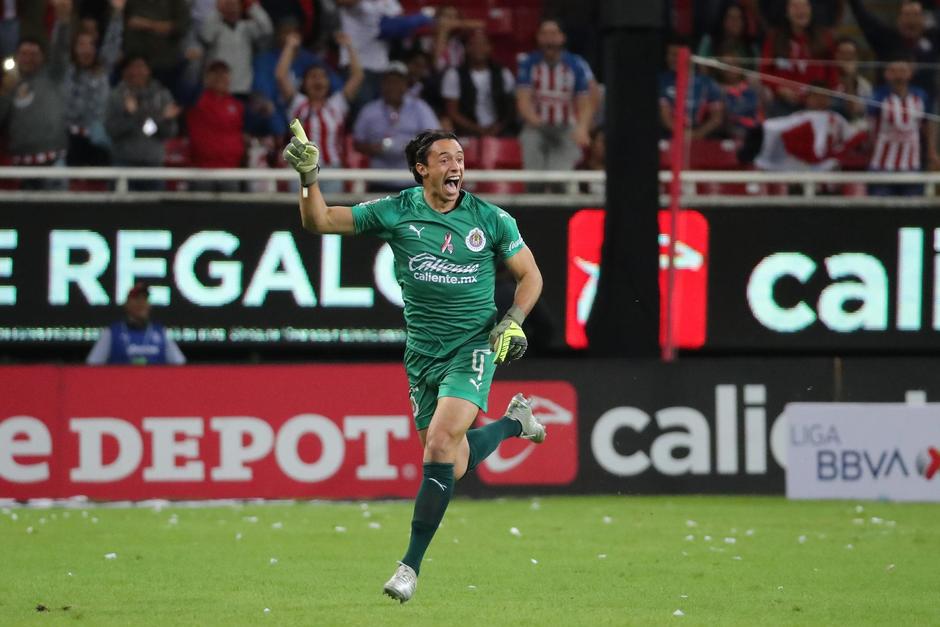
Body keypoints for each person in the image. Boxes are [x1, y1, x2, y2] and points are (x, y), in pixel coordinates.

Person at [282, 128, 546, 604]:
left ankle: (409, 566)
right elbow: (319, 221)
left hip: (475, 345)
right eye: (444, 159)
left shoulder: (490, 219)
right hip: (422, 354)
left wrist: (513, 320)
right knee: (454, 460)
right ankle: (514, 424)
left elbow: (530, 274)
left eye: (460, 158)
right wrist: (307, 176)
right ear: (422, 169)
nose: (456, 166)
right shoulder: (398, 211)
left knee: (442, 444)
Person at [0, 1, 71, 189]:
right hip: (21, 164)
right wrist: (5, 92)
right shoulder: (10, 84)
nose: (29, 58)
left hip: (53, 159)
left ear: (42, 57)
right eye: (24, 54)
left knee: (57, 216)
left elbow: (60, 50)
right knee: (25, 217)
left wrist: (62, 22)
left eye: (34, 54)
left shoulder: (52, 75)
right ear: (16, 57)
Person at [516, 18, 595, 180]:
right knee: (533, 181)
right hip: (536, 126)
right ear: (538, 38)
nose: (549, 39)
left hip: (566, 127)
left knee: (561, 181)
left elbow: (585, 102)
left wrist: (583, 128)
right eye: (544, 34)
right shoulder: (528, 64)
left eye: (553, 34)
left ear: (562, 38)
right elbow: (523, 102)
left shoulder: (576, 64)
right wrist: (541, 125)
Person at [352, 60, 440, 190]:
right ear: (382, 85)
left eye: (398, 82)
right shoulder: (369, 110)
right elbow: (357, 143)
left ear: (405, 85)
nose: (393, 86)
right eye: (389, 82)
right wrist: (372, 148)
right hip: (379, 180)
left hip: (412, 181)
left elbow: (434, 138)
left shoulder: (419, 107)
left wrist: (413, 148)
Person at [105, 55, 181, 190]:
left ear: (148, 70)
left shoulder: (162, 95)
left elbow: (169, 133)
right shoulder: (116, 96)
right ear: (125, 71)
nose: (137, 71)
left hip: (153, 165)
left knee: (154, 210)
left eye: (141, 67)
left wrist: (164, 119)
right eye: (133, 67)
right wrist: (131, 116)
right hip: (124, 163)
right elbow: (112, 131)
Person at [65, 0, 125, 168]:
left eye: (90, 45)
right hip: (70, 137)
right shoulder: (66, 71)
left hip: (98, 138)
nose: (86, 49)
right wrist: (62, 18)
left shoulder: (103, 68)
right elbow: (59, 45)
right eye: (81, 45)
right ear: (74, 48)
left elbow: (113, 42)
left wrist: (117, 14)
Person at [868, 53, 937, 196]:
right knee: (880, 209)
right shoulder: (878, 95)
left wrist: (931, 152)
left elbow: (927, 124)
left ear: (910, 73)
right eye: (894, 71)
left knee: (912, 209)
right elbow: (871, 124)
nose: (898, 76)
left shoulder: (921, 95)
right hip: (883, 164)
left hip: (911, 163)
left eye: (903, 71)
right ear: (886, 74)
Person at [759, 0, 836, 117]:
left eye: (805, 6)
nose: (801, 11)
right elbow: (764, 73)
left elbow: (833, 73)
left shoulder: (825, 38)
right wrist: (780, 89)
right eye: (795, 6)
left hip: (818, 104)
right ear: (786, 11)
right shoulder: (774, 38)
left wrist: (824, 95)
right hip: (785, 103)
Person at [87, 282, 186, 365]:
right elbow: (92, 365)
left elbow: (179, 364)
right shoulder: (112, 333)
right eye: (136, 299)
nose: (141, 303)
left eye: (144, 299)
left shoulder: (161, 333)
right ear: (127, 304)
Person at [441, 29, 516, 137]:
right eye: (474, 44)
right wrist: (477, 129)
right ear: (467, 48)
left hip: (499, 130)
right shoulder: (453, 75)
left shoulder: (503, 73)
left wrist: (498, 127)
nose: (479, 48)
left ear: (490, 48)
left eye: (483, 44)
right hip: (465, 131)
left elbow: (511, 107)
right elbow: (453, 112)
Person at [187, 60, 245, 190]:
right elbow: (185, 83)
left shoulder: (237, 105)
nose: (220, 77)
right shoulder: (196, 99)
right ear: (207, 77)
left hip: (230, 170)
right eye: (216, 73)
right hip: (202, 171)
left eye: (224, 74)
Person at [199, 0, 273, 98]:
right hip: (216, 90)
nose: (232, 8)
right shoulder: (215, 26)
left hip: (242, 89)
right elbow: (206, 36)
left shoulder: (247, 27)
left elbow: (267, 29)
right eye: (228, 5)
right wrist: (217, 11)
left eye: (235, 5)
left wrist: (251, 6)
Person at [659, 36, 725, 139]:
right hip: (670, 137)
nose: (672, 59)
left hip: (700, 137)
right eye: (670, 54)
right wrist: (682, 135)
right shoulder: (662, 81)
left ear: (690, 57)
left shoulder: (707, 83)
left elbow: (716, 118)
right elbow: (665, 117)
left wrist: (696, 135)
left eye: (676, 55)